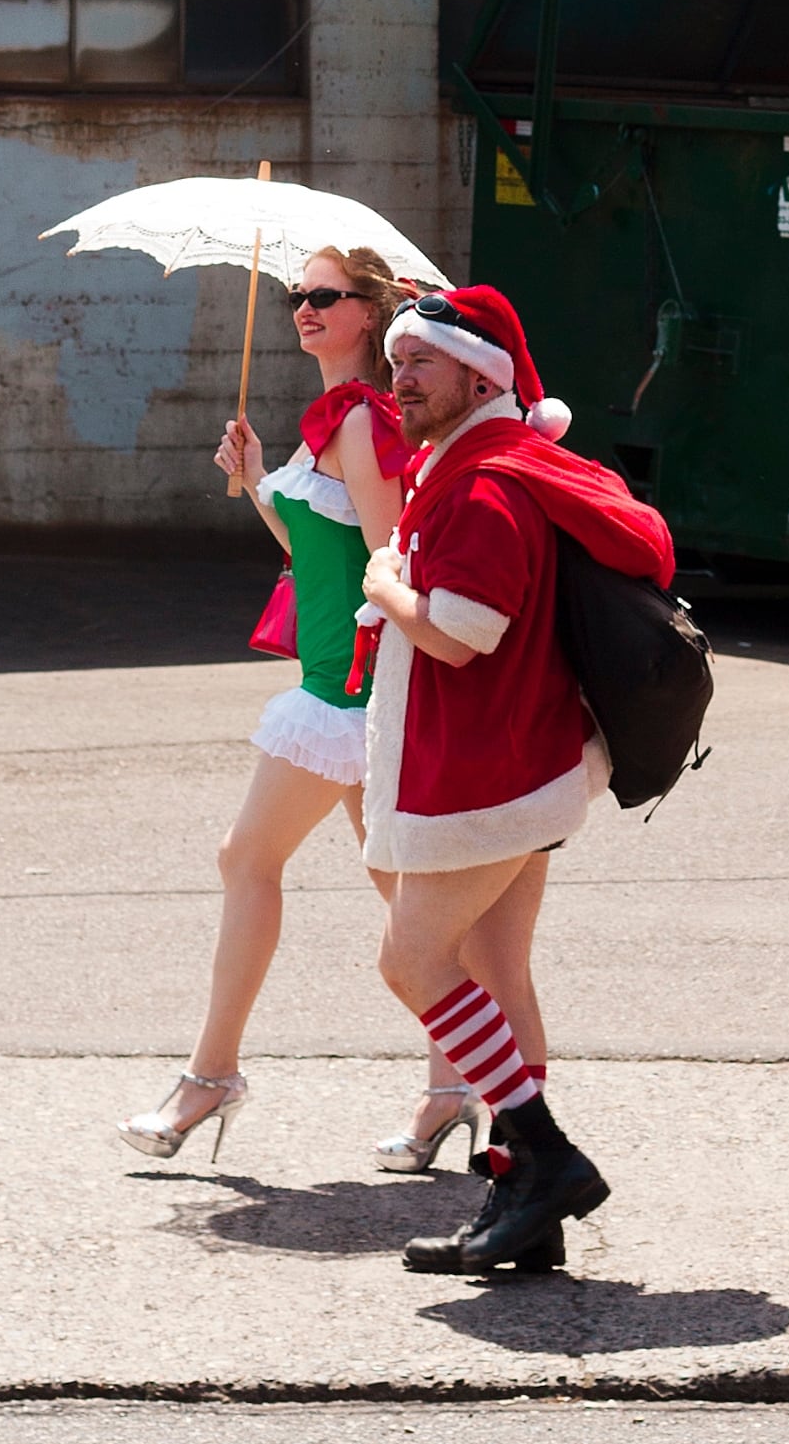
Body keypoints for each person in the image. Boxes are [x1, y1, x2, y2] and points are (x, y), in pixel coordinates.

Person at [114, 246, 523, 1172]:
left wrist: (377, 691)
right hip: (344, 688)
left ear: (368, 313)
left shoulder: (366, 421)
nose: (303, 306)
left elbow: (389, 556)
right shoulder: (333, 420)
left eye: (324, 296)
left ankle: (212, 1076)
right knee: (407, 900)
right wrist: (261, 480)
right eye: (297, 294)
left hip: (352, 691)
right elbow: (313, 552)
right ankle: (459, 1089)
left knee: (248, 858)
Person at [357, 286, 675, 1275]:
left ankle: (545, 1161)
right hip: (518, 765)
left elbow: (462, 633)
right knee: (499, 977)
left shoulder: (486, 483)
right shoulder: (484, 464)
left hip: (486, 777)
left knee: (412, 963)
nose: (401, 379)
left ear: (478, 375)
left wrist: (385, 583)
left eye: (421, 361)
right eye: (396, 361)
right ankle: (522, 1203)